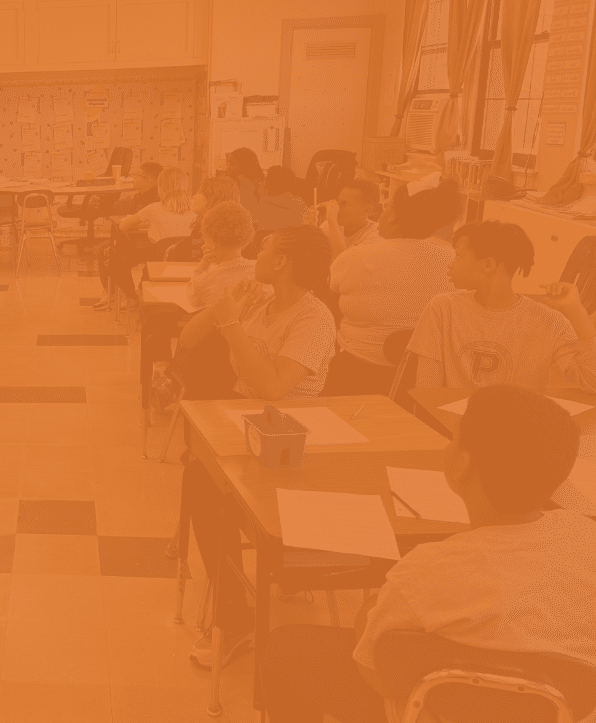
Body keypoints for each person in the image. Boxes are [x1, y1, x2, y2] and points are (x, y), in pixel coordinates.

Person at [263, 386, 596, 723]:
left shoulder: (429, 568)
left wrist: (370, 612)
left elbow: (378, 675)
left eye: (455, 435)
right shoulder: (585, 536)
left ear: (463, 464)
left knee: (287, 650)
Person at [177, 226, 337, 666]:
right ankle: (235, 613)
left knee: (205, 485)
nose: (257, 253)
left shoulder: (314, 318)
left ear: (282, 261)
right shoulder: (262, 301)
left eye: (265, 245)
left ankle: (233, 617)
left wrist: (231, 326)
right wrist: (222, 309)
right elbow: (188, 341)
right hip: (246, 426)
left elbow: (272, 387)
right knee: (199, 476)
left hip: (294, 442)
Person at [408, 220, 596, 392]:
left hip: (516, 426)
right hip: (451, 425)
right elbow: (427, 392)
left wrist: (577, 312)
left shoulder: (550, 322)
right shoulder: (442, 308)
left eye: (458, 255)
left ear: (488, 265)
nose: (451, 264)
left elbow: (591, 383)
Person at [323, 180, 460, 395]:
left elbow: (327, 302)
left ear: (394, 216)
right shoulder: (453, 260)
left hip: (354, 373)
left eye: (386, 207)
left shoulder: (357, 257)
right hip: (421, 382)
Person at [102, 166, 196, 309]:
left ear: (161, 187)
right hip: (188, 258)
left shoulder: (155, 208)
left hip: (159, 257)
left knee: (117, 257)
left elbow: (122, 226)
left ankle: (131, 297)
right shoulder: (196, 207)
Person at [93, 162, 164, 306]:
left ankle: (126, 294)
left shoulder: (155, 199)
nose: (133, 178)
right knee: (107, 249)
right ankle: (113, 293)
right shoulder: (141, 195)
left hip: (146, 243)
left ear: (148, 181)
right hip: (134, 240)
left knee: (110, 252)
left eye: (138, 175)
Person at [187, 202, 257, 310]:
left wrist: (204, 264)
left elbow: (192, 297)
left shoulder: (205, 281)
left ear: (211, 241)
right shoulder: (259, 271)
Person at [306, 176, 383, 259]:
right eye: (338, 201)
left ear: (367, 210)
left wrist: (333, 221)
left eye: (344, 203)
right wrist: (310, 228)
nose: (338, 207)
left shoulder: (376, 235)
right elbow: (312, 256)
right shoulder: (329, 226)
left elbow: (344, 264)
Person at [254, 165, 308, 231]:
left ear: (268, 185)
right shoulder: (301, 206)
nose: (263, 182)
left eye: (266, 179)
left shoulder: (260, 207)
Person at [225, 147, 265, 217]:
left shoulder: (247, 186)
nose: (227, 168)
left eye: (232, 164)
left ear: (244, 166)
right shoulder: (234, 182)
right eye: (228, 163)